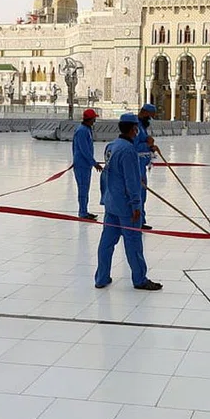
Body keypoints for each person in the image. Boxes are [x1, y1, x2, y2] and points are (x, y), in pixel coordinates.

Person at [95, 113, 162, 291]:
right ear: (134, 129)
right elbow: (132, 182)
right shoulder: (128, 151)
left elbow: (106, 175)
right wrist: (136, 205)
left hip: (111, 203)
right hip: (125, 207)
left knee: (107, 243)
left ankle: (101, 277)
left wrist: (106, 196)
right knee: (133, 243)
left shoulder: (111, 146)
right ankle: (140, 279)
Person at [72, 108, 103, 219]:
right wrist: (94, 163)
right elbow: (84, 150)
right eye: (94, 118)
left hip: (86, 165)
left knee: (85, 188)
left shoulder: (87, 129)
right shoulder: (82, 131)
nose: (94, 121)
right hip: (81, 164)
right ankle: (82, 212)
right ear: (89, 119)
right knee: (83, 188)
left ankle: (84, 210)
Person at [134, 103, 161, 229]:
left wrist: (151, 146)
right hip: (136, 165)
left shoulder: (142, 126)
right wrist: (148, 145)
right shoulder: (136, 127)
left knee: (142, 195)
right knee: (137, 194)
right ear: (144, 112)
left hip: (142, 165)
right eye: (149, 116)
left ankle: (141, 220)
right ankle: (136, 221)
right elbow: (133, 147)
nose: (150, 119)